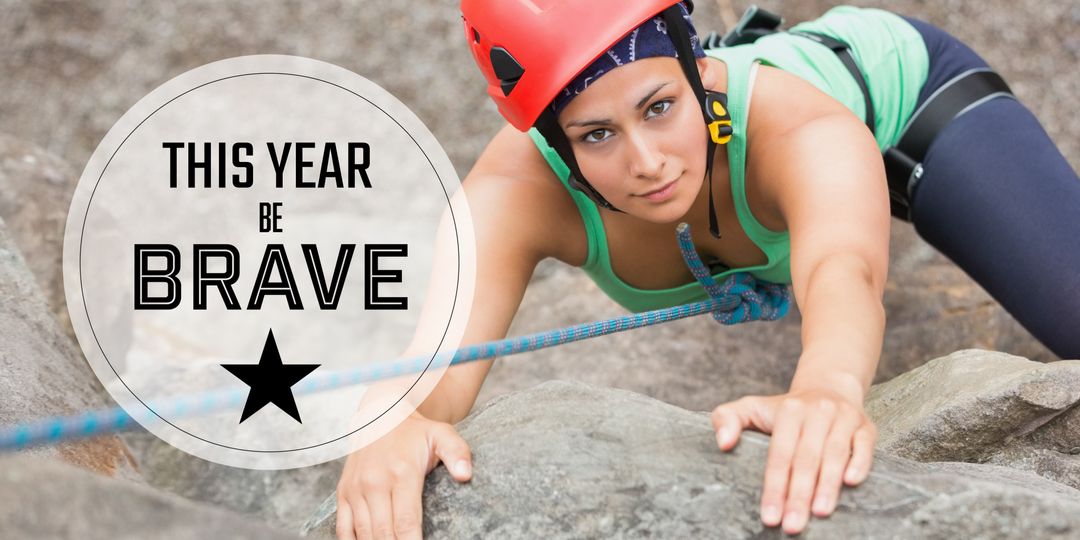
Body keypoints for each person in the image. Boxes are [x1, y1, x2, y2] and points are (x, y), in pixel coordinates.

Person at [335, 1, 1080, 538]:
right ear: (555, 147)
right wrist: (396, 422)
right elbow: (439, 366)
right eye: (597, 134)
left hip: (904, 102)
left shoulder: (800, 125)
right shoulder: (514, 193)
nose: (647, 160)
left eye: (660, 107)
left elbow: (842, 273)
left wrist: (825, 391)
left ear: (697, 72)